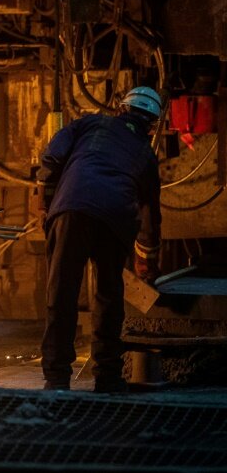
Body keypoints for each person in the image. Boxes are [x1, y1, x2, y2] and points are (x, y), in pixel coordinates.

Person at [36, 86, 163, 393]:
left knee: (61, 295)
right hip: (115, 218)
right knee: (108, 296)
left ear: (121, 108)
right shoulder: (146, 155)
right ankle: (107, 377)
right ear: (152, 124)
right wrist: (147, 259)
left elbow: (51, 158)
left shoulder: (91, 123)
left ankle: (56, 379)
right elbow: (150, 216)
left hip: (72, 209)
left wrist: (45, 204)